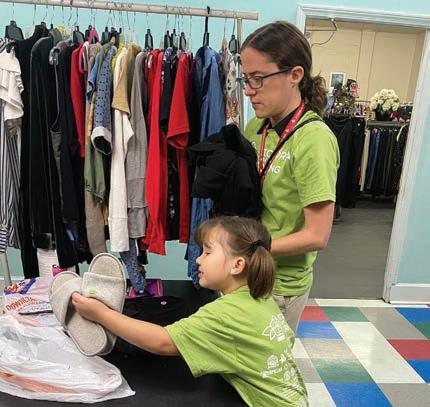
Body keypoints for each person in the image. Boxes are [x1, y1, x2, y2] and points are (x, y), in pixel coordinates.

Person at [72, 216, 308, 407]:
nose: (198, 260)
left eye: (207, 252)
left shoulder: (227, 313)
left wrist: (101, 314)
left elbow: (162, 342)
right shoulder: (260, 297)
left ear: (237, 265)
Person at [240, 21, 340, 333]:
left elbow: (316, 236)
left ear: (295, 75)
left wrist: (248, 249)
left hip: (279, 284)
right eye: (246, 79)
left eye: (258, 79)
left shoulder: (313, 140)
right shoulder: (256, 127)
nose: (248, 90)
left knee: (266, 363)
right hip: (244, 271)